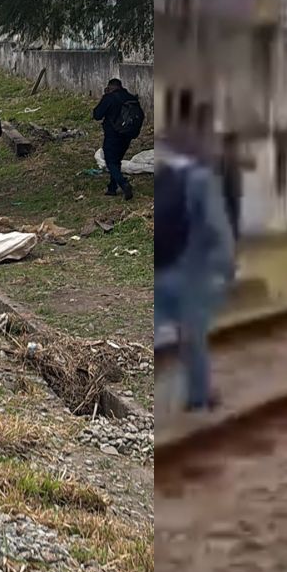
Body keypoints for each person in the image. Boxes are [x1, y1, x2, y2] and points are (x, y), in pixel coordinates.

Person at [154, 96, 234, 414]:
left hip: (160, 268)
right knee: (193, 338)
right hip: (190, 271)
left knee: (162, 334)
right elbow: (218, 228)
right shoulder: (200, 178)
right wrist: (226, 267)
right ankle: (197, 400)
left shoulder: (161, 177)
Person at [93, 77, 143, 200]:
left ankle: (123, 183)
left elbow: (97, 115)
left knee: (110, 161)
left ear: (110, 87)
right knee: (116, 161)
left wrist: (105, 98)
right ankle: (112, 188)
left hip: (113, 134)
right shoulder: (130, 97)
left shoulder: (109, 98)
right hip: (127, 135)